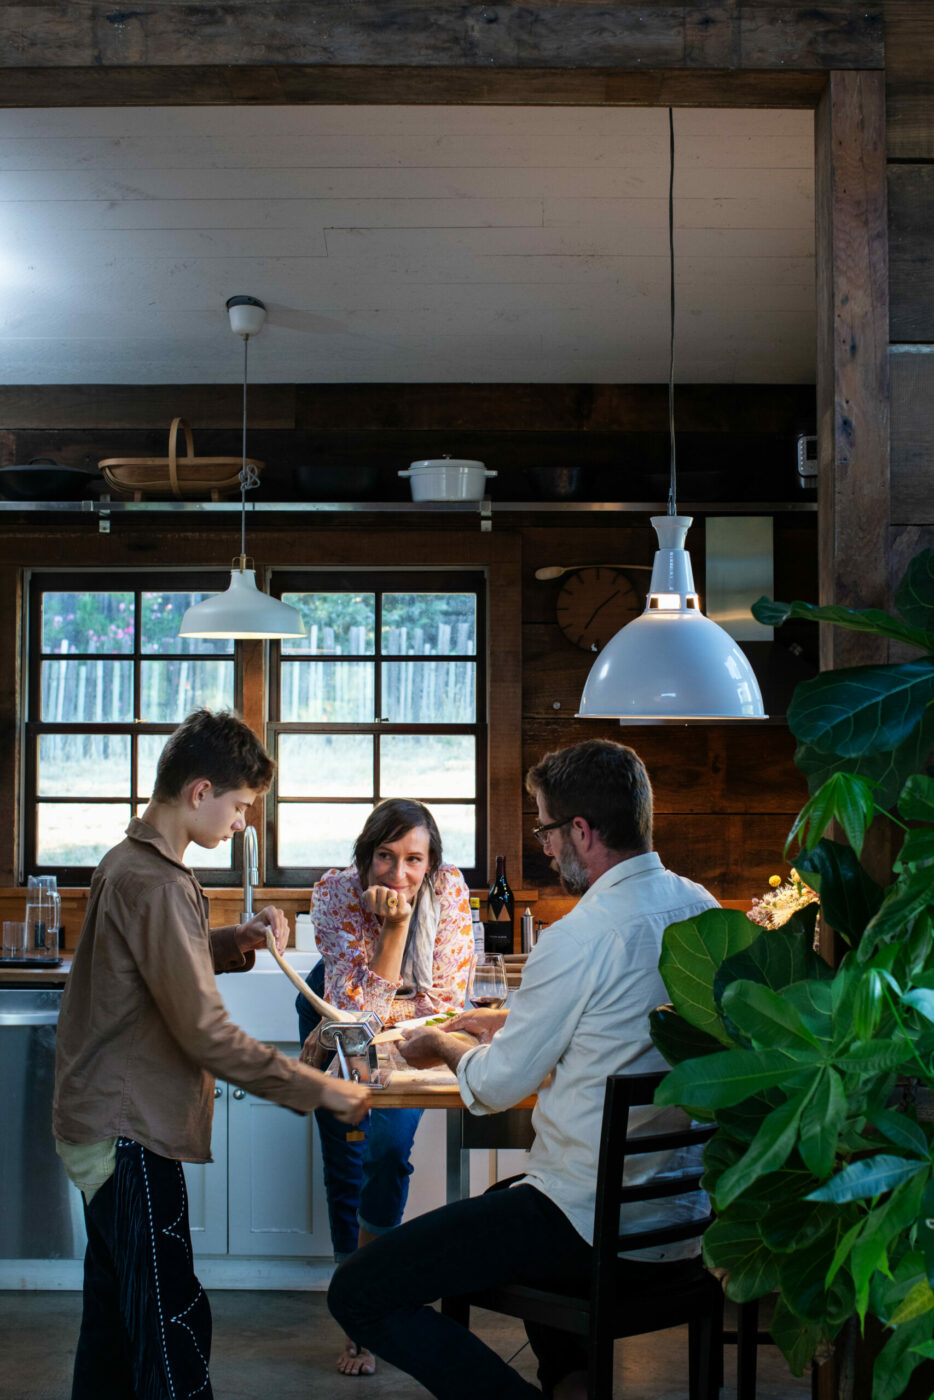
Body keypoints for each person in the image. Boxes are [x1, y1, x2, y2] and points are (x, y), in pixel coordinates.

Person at [327, 738, 720, 1400]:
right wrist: (510, 1023)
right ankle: (571, 1382)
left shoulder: (581, 934)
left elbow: (495, 1086)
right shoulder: (702, 910)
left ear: (582, 831)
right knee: (497, 1203)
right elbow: (632, 1022)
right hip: (681, 1225)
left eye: (545, 826)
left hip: (589, 1229)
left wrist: (446, 1047)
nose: (543, 844)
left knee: (360, 1290)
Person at [53, 708, 370, 1400]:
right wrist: (319, 1088)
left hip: (97, 1124)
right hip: (130, 1130)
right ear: (200, 792)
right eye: (239, 806)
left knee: (114, 1327)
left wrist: (238, 940)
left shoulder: (132, 862)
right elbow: (204, 1031)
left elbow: (159, 961)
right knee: (174, 1330)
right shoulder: (159, 881)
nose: (241, 824)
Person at [296, 797, 472, 1376]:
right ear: (364, 857)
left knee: (390, 1152)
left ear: (434, 863)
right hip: (337, 1010)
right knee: (347, 1155)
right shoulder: (334, 892)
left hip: (412, 1021)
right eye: (385, 857)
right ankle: (358, 1318)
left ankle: (368, 1294)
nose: (399, 875)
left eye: (415, 860)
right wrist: (394, 929)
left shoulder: (448, 891)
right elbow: (351, 1015)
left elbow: (445, 1001)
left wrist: (376, 1018)